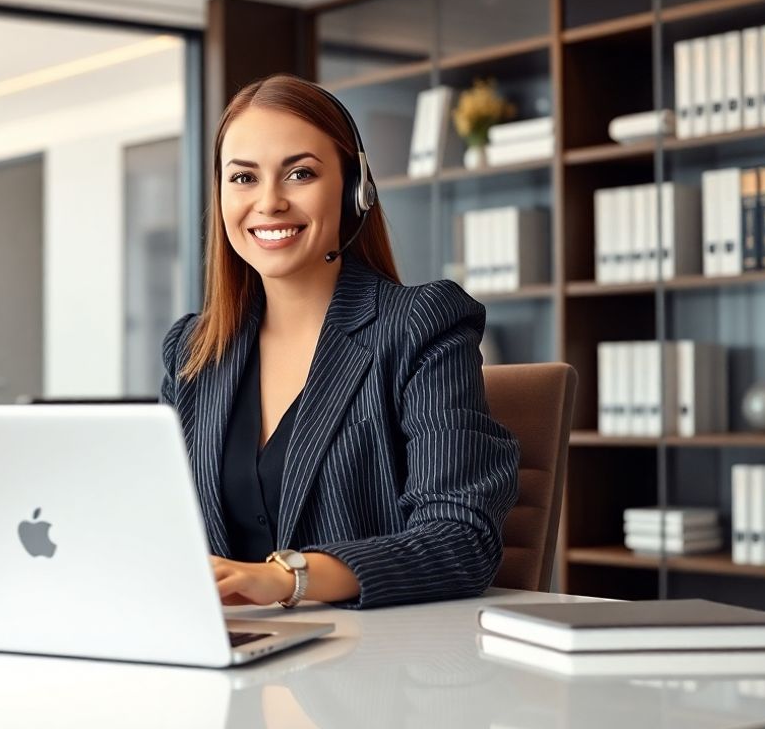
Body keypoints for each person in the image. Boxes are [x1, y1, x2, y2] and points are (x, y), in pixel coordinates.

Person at [160, 74, 520, 610]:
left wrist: (286, 579)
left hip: (373, 669)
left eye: (300, 173)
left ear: (356, 189)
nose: (269, 202)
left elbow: (461, 539)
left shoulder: (421, 325)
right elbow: (163, 525)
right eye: (243, 178)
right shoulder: (193, 350)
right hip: (234, 656)